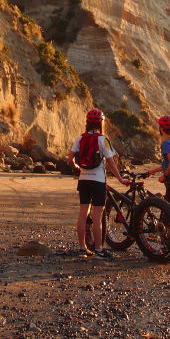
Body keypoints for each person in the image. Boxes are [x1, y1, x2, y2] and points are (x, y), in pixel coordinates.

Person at [68, 108, 128, 259]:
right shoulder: (103, 140)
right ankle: (99, 250)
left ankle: (82, 248)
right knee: (97, 216)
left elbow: (70, 159)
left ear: (87, 123)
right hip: (98, 181)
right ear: (101, 123)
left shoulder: (79, 139)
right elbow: (111, 163)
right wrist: (120, 179)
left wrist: (77, 168)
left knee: (83, 215)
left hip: (83, 180)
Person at [147, 114, 170, 202]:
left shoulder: (166, 144)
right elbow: (167, 164)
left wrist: (165, 176)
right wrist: (152, 171)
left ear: (161, 129)